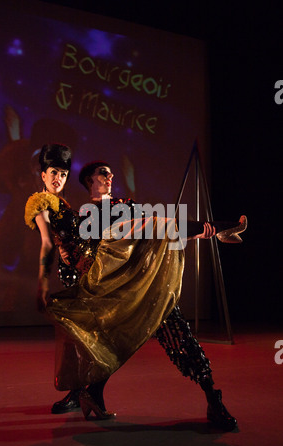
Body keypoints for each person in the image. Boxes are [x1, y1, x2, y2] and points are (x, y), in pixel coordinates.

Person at [25, 148, 246, 430]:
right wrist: (56, 265)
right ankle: (85, 391)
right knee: (99, 339)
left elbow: (149, 229)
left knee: (175, 331)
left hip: (142, 280)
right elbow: (59, 243)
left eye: (62, 173)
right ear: (89, 181)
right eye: (102, 173)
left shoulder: (118, 207)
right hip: (108, 282)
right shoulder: (77, 212)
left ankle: (213, 399)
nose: (110, 177)